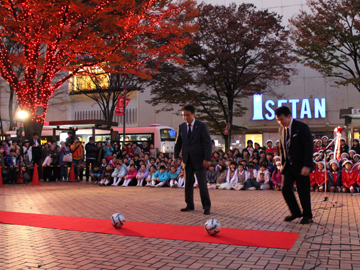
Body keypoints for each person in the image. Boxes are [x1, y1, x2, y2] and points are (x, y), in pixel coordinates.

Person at [276, 106, 314, 224]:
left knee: (303, 190)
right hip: (288, 166)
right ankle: (295, 212)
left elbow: (309, 147)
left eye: (282, 119)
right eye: (278, 120)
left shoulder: (301, 127)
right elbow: (282, 148)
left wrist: (307, 165)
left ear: (289, 116)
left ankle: (307, 215)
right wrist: (282, 164)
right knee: (285, 189)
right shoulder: (281, 129)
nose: (280, 122)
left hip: (301, 165)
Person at [174, 104, 212, 215]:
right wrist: (176, 156)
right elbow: (178, 143)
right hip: (187, 159)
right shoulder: (181, 127)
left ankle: (206, 206)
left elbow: (207, 143)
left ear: (193, 114)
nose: (186, 117)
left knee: (202, 184)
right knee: (188, 184)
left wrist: (207, 158)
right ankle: (189, 205)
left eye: (188, 115)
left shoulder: (201, 126)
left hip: (200, 160)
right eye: (183, 115)